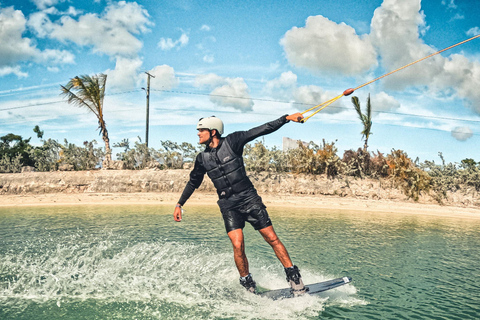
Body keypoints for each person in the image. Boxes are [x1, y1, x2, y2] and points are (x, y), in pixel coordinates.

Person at [173, 113, 306, 294]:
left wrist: (286, 118)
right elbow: (193, 182)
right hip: (228, 205)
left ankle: (293, 275)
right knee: (237, 244)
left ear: (213, 132)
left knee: (271, 238)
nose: (198, 134)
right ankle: (247, 283)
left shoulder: (233, 141)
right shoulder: (202, 158)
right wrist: (180, 204)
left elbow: (261, 129)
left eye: (201, 130)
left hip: (249, 198)